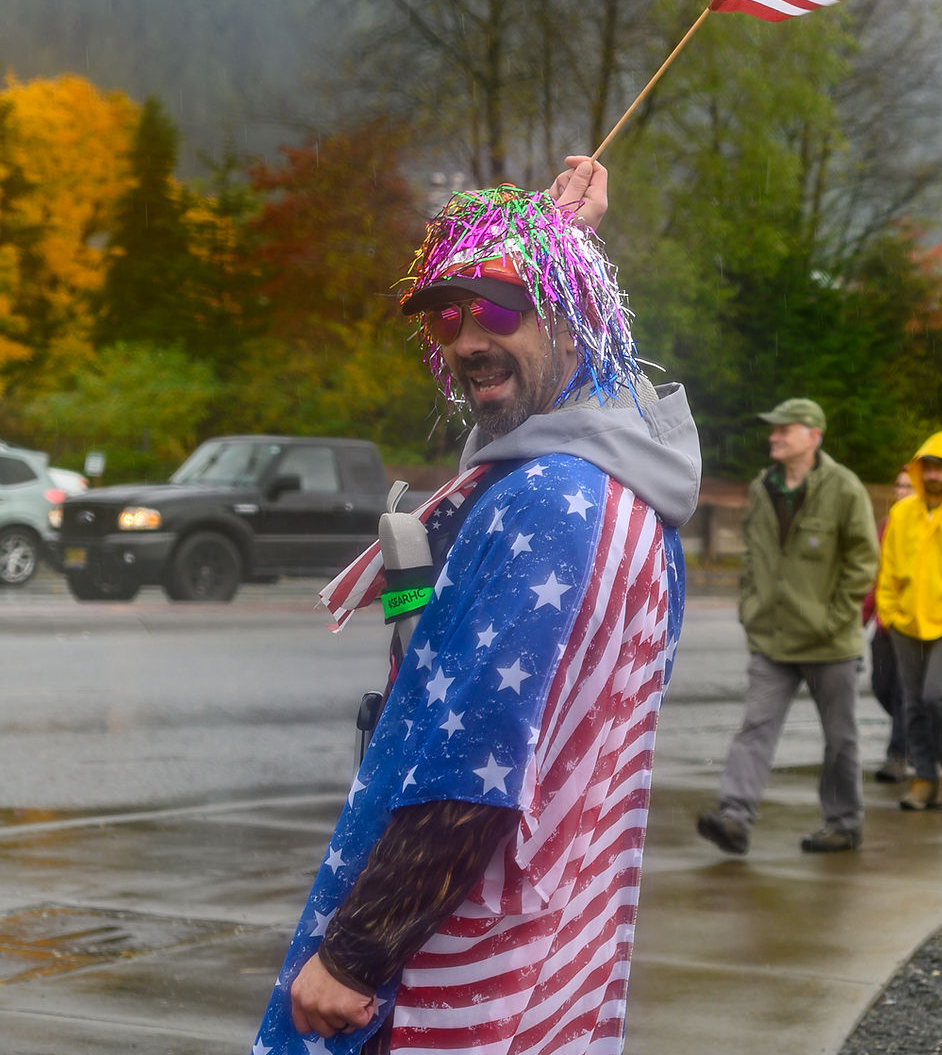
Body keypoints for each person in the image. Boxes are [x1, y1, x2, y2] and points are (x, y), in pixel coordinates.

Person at [250, 158, 702, 1055]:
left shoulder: (550, 499)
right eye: (448, 316)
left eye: (498, 307)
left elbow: (475, 763)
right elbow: (588, 394)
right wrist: (564, 242)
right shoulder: (622, 479)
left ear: (573, 317)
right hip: (553, 947)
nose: (464, 337)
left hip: (452, 969)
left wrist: (356, 953)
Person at [696, 398, 878, 856]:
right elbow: (754, 556)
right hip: (772, 638)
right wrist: (750, 607)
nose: (774, 435)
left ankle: (843, 824)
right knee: (755, 728)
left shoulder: (844, 488)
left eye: (785, 429)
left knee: (840, 739)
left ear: (813, 437)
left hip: (830, 643)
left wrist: (834, 617)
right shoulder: (763, 486)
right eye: (772, 429)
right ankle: (734, 819)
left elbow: (864, 560)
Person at [876, 432, 942, 811]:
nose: (934, 475)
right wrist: (887, 610)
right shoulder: (902, 513)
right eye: (928, 467)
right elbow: (886, 568)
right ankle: (924, 777)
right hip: (905, 623)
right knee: (914, 703)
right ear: (919, 470)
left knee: (937, 695)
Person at [862, 467, 914, 783]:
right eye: (899, 486)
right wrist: (862, 616)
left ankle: (898, 756)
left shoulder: (928, 527)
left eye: (909, 486)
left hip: (918, 629)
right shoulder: (887, 526)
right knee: (883, 688)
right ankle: (920, 731)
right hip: (885, 625)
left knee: (905, 694)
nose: (902, 492)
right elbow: (875, 575)